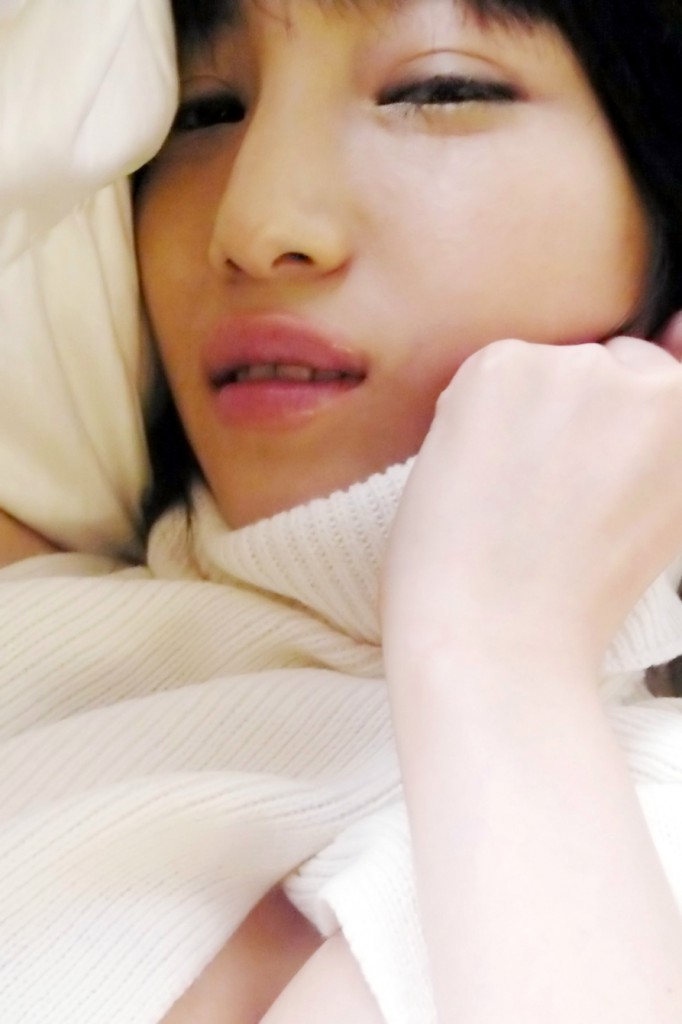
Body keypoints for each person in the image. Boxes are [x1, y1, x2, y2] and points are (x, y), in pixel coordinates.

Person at [2, 1, 682, 1022]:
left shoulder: (629, 841)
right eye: (203, 111)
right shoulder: (50, 621)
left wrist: (497, 651)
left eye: (437, 89)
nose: (254, 224)